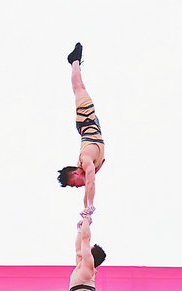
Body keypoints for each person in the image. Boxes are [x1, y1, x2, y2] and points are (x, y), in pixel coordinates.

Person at [57, 43, 105, 217]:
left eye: (73, 184)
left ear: (76, 173)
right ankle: (74, 61)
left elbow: (90, 183)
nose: (77, 186)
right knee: (79, 88)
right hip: (91, 126)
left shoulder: (86, 161)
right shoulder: (88, 167)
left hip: (87, 122)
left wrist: (90, 206)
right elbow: (88, 190)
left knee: (79, 87)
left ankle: (75, 61)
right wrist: (86, 215)